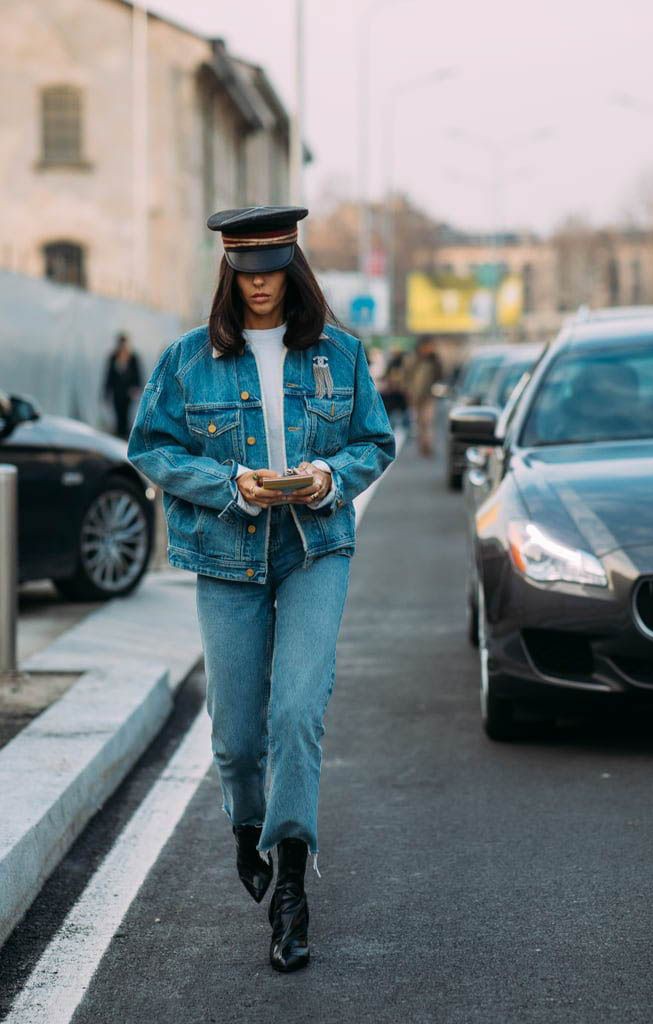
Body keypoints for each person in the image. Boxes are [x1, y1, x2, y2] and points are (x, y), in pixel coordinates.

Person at [126, 205, 395, 973]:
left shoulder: (338, 354)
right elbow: (152, 446)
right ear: (229, 273)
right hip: (226, 552)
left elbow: (375, 441)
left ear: (292, 269)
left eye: (272, 271)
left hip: (316, 548)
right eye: (246, 274)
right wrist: (229, 483)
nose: (260, 287)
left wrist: (326, 477)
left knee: (297, 711)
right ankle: (247, 827)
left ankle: (288, 885)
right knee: (236, 734)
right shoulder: (188, 358)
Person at [406, 334, 443, 456]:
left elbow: (440, 377)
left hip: (429, 396)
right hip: (415, 395)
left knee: (428, 421)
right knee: (419, 421)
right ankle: (422, 444)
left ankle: (427, 444)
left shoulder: (434, 361)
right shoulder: (414, 360)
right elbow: (407, 376)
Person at [103, 332, 142, 439]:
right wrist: (106, 392)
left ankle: (126, 436)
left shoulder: (133, 358)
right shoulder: (113, 357)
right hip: (117, 392)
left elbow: (138, 374)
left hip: (129, 393)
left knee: (127, 414)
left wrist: (137, 388)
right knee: (118, 414)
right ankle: (120, 436)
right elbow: (109, 376)